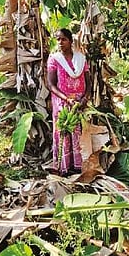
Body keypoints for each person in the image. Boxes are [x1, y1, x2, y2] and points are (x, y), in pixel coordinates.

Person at [47, 28, 91, 175]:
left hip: (80, 102)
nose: (60, 42)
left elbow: (88, 81)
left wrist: (85, 97)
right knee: (64, 133)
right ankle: (63, 167)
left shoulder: (81, 59)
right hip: (62, 102)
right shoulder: (54, 59)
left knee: (79, 133)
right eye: (58, 39)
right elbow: (51, 85)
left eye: (63, 39)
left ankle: (79, 165)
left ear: (71, 41)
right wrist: (66, 99)